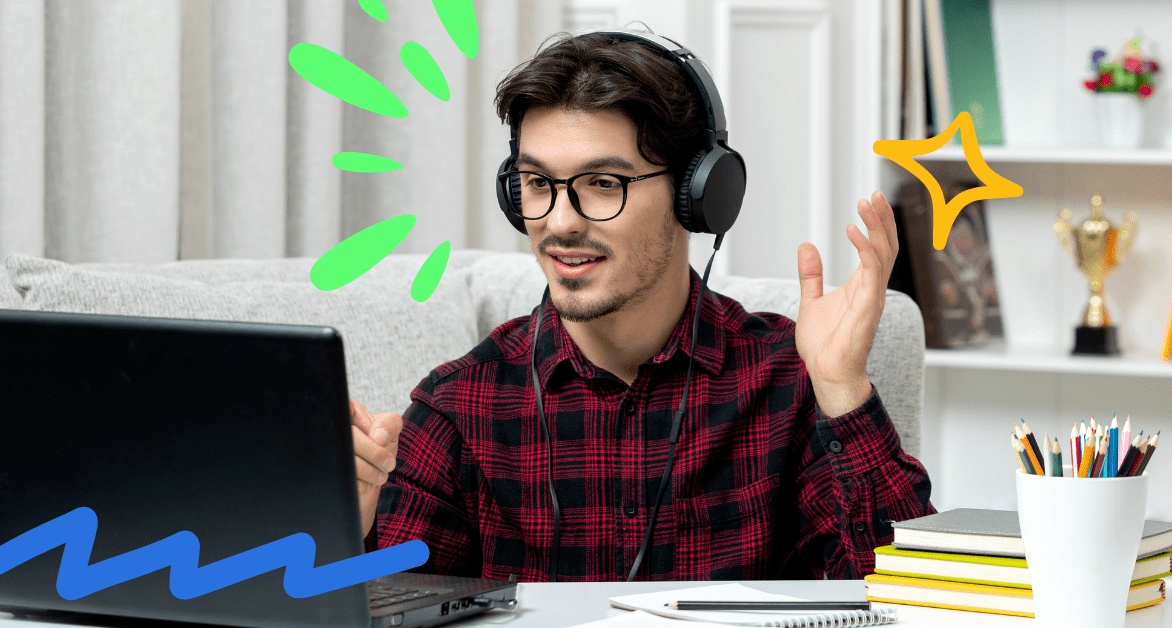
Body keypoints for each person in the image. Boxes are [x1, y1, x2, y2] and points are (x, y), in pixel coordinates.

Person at [347, 30, 935, 582]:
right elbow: (395, 606)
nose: (559, 222)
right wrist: (352, 530)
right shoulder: (457, 406)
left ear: (698, 195)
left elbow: (910, 598)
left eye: (603, 183)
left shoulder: (789, 380)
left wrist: (842, 390)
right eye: (536, 183)